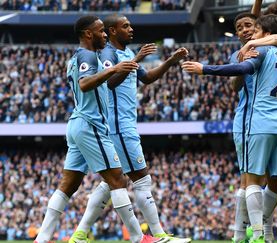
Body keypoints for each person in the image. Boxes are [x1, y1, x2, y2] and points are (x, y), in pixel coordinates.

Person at [182, 14, 277, 243]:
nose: (252, 34)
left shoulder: (261, 51)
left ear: (267, 34)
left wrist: (204, 69)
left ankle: (256, 235)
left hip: (258, 123)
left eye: (256, 30)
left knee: (251, 180)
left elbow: (242, 68)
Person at [67, 14, 190, 243]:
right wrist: (138, 57)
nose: (131, 29)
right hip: (118, 125)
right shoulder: (107, 53)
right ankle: (159, 236)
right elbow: (110, 82)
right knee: (142, 180)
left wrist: (170, 61)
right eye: (125, 26)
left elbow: (147, 78)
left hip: (124, 124)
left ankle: (80, 233)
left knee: (111, 183)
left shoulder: (123, 53)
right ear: (112, 31)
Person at [34, 15, 149, 243]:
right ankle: (138, 238)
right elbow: (85, 84)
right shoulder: (87, 55)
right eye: (101, 31)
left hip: (77, 124)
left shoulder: (77, 57)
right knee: (117, 179)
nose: (105, 35)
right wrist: (114, 68)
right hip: (90, 124)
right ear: (89, 34)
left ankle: (42, 238)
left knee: (67, 185)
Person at [229, 12, 257, 243]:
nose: (245, 30)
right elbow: (234, 85)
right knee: (247, 178)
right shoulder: (235, 55)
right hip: (246, 120)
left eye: (249, 25)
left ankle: (262, 231)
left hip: (272, 121)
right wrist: (242, 62)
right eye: (240, 27)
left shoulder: (270, 49)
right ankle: (240, 234)